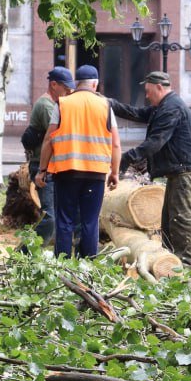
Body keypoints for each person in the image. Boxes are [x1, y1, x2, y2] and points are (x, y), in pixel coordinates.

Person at [110, 71, 191, 267]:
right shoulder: (162, 107)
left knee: (182, 222)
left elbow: (156, 141)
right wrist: (109, 103)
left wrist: (128, 157)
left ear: (159, 87)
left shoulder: (172, 108)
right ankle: (168, 263)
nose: (146, 96)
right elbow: (135, 113)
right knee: (169, 224)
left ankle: (187, 266)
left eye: (148, 91)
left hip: (185, 175)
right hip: (176, 174)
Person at [35, 65, 120, 257]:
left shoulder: (63, 104)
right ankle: (88, 264)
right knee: (90, 221)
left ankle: (63, 264)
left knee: (65, 220)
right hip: (96, 173)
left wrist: (42, 170)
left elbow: (49, 139)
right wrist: (114, 172)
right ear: (94, 84)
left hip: (67, 172)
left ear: (77, 83)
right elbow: (115, 144)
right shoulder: (106, 105)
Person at [21, 67, 74, 246]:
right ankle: (25, 253)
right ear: (53, 85)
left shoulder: (54, 104)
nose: (69, 92)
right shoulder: (46, 106)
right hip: (43, 167)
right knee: (50, 216)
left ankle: (58, 252)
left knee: (58, 214)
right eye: (66, 88)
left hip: (52, 167)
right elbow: (58, 134)